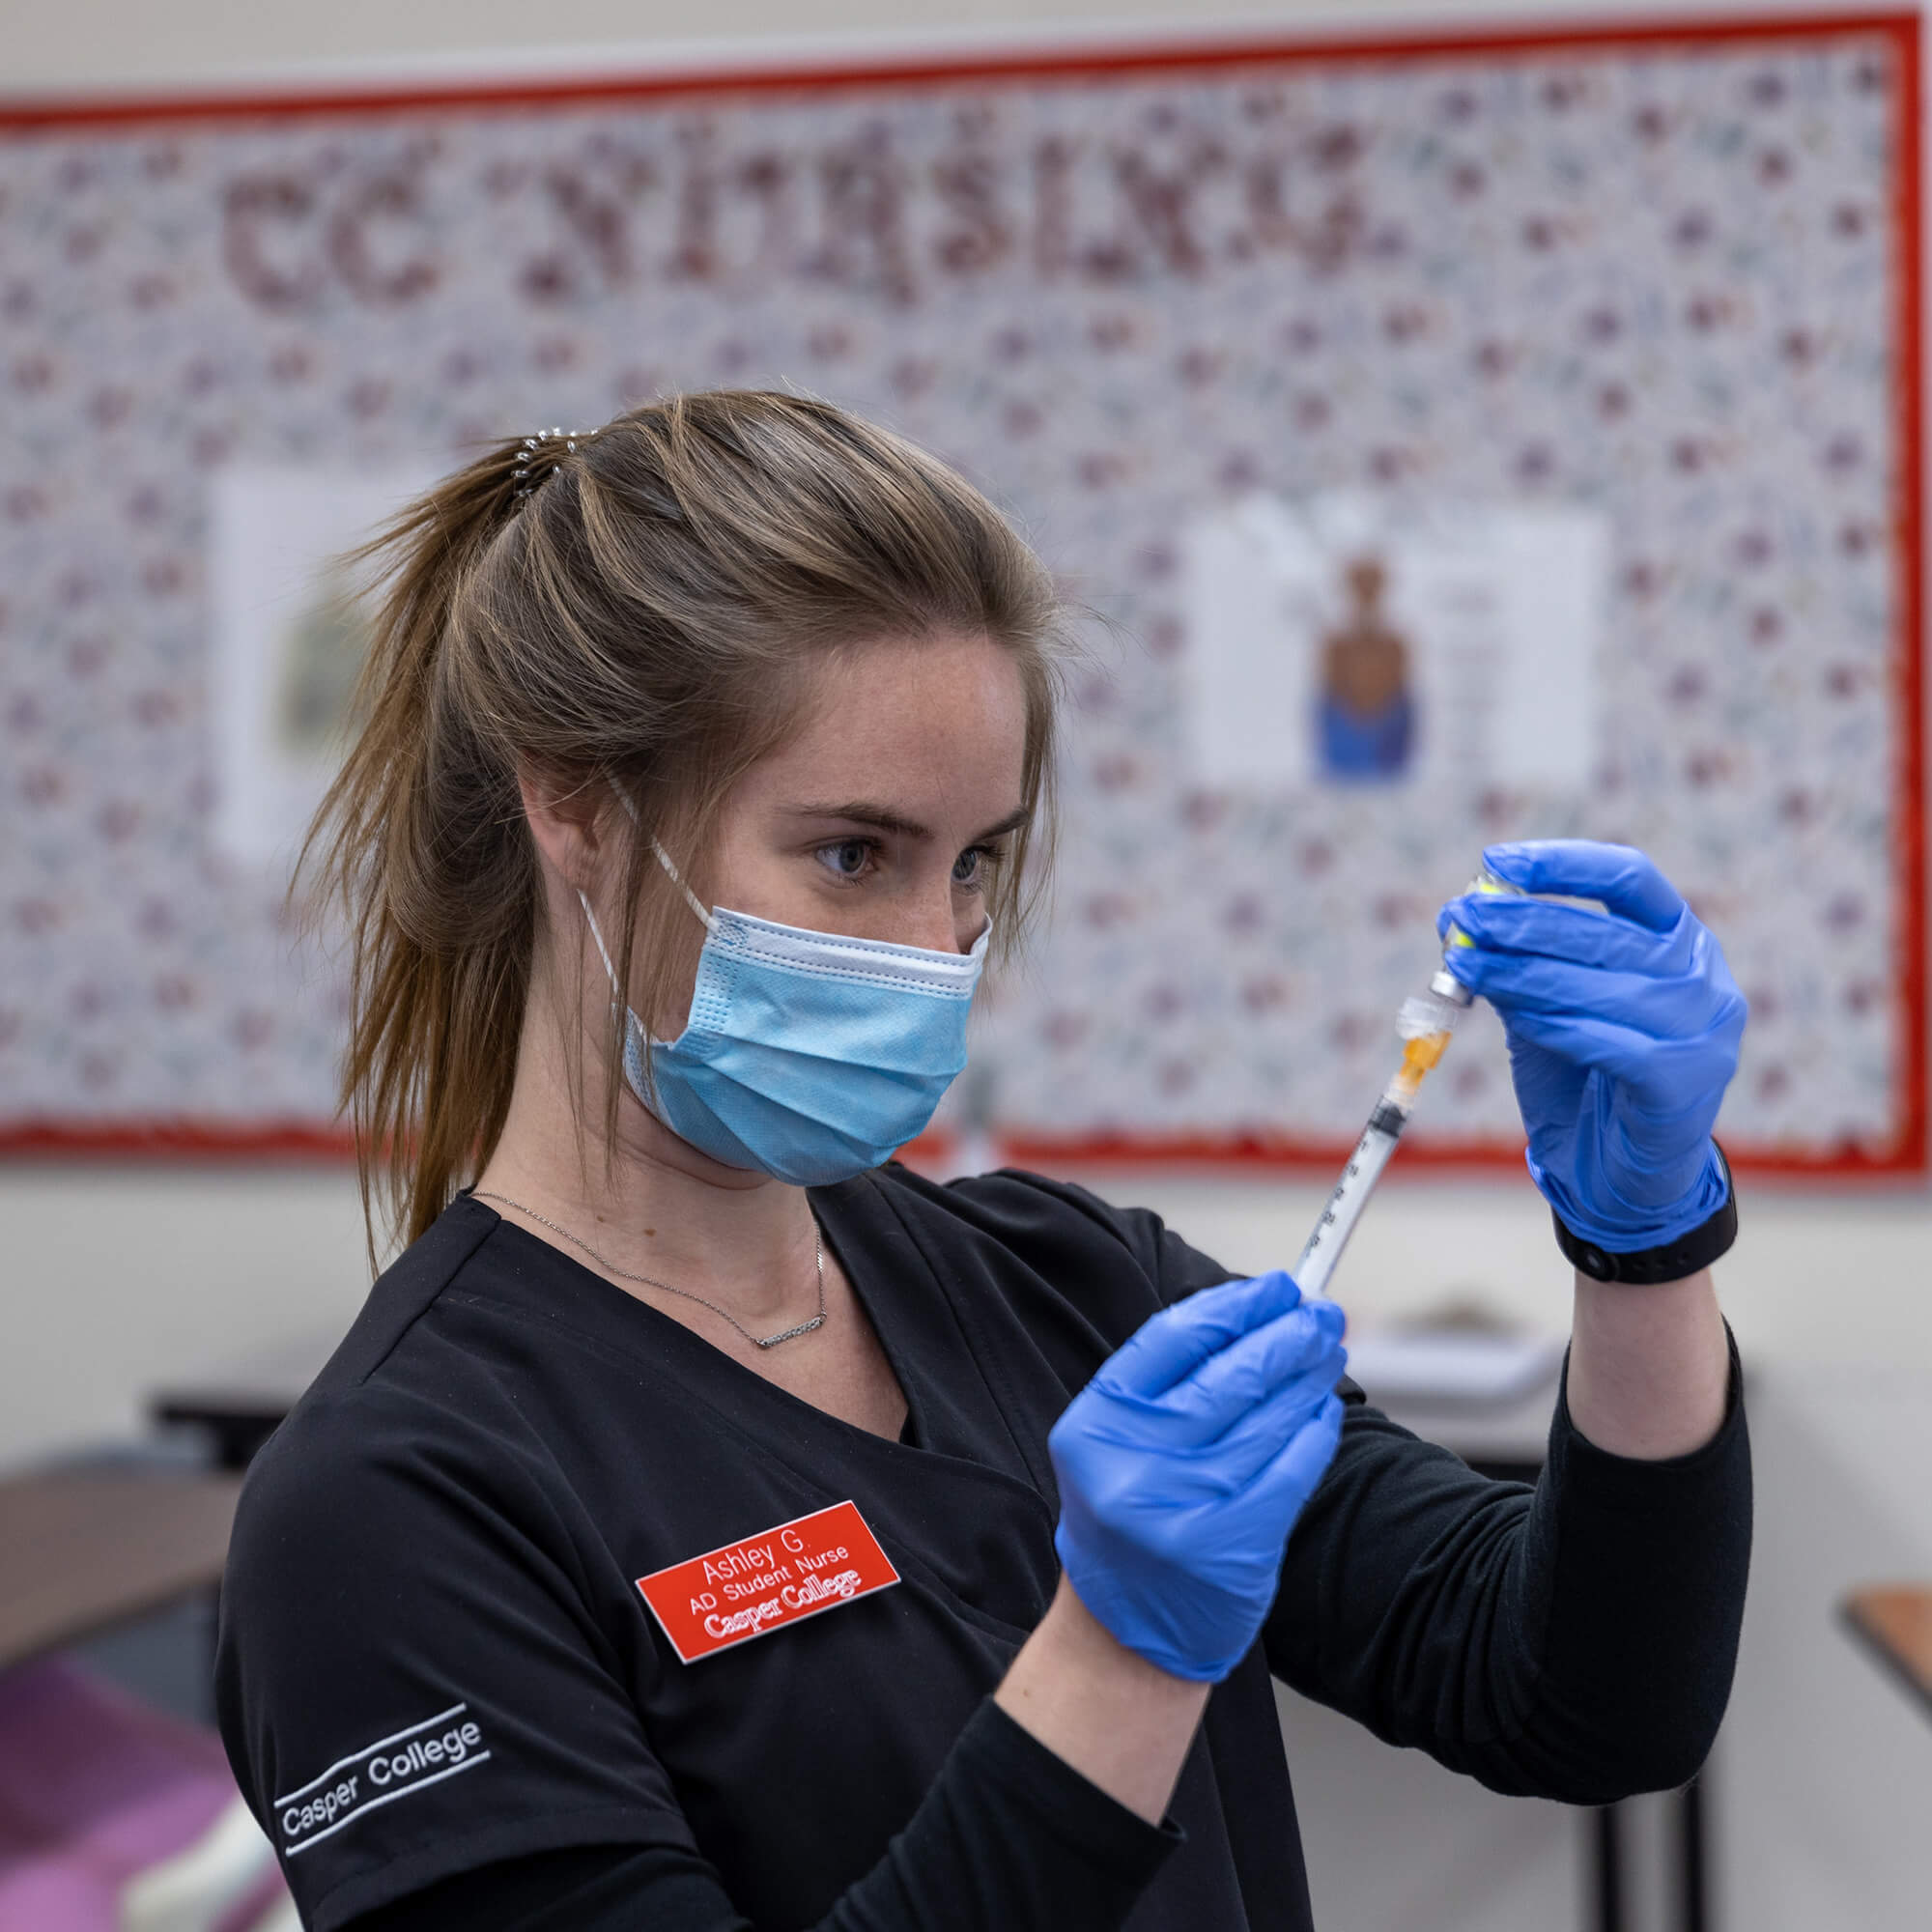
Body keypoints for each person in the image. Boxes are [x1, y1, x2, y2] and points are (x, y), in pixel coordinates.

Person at [213, 392, 1751, 1932]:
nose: (935, 946)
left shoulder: (1064, 1292)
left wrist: (1648, 1247)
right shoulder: (390, 1509)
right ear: (577, 806)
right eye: (851, 853)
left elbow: (1589, 1700)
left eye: (973, 863)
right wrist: (1116, 1660)